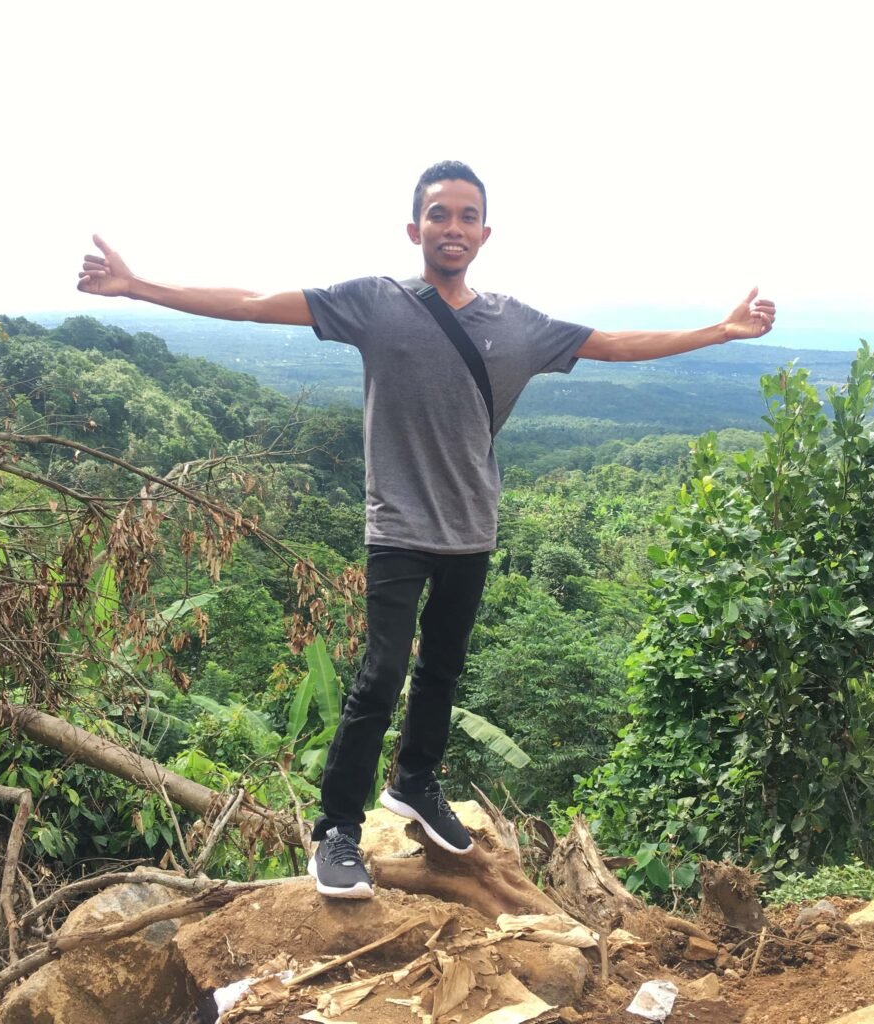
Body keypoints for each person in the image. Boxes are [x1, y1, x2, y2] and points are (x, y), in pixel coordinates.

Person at [78, 160, 776, 899]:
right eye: (439, 214)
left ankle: (415, 784)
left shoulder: (518, 325)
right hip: (400, 526)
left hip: (473, 527)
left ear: (485, 232)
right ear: (416, 229)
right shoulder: (374, 304)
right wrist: (138, 285)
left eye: (466, 215)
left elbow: (614, 344)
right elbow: (254, 302)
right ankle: (336, 833)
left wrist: (721, 333)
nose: (453, 227)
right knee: (379, 677)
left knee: (442, 671)